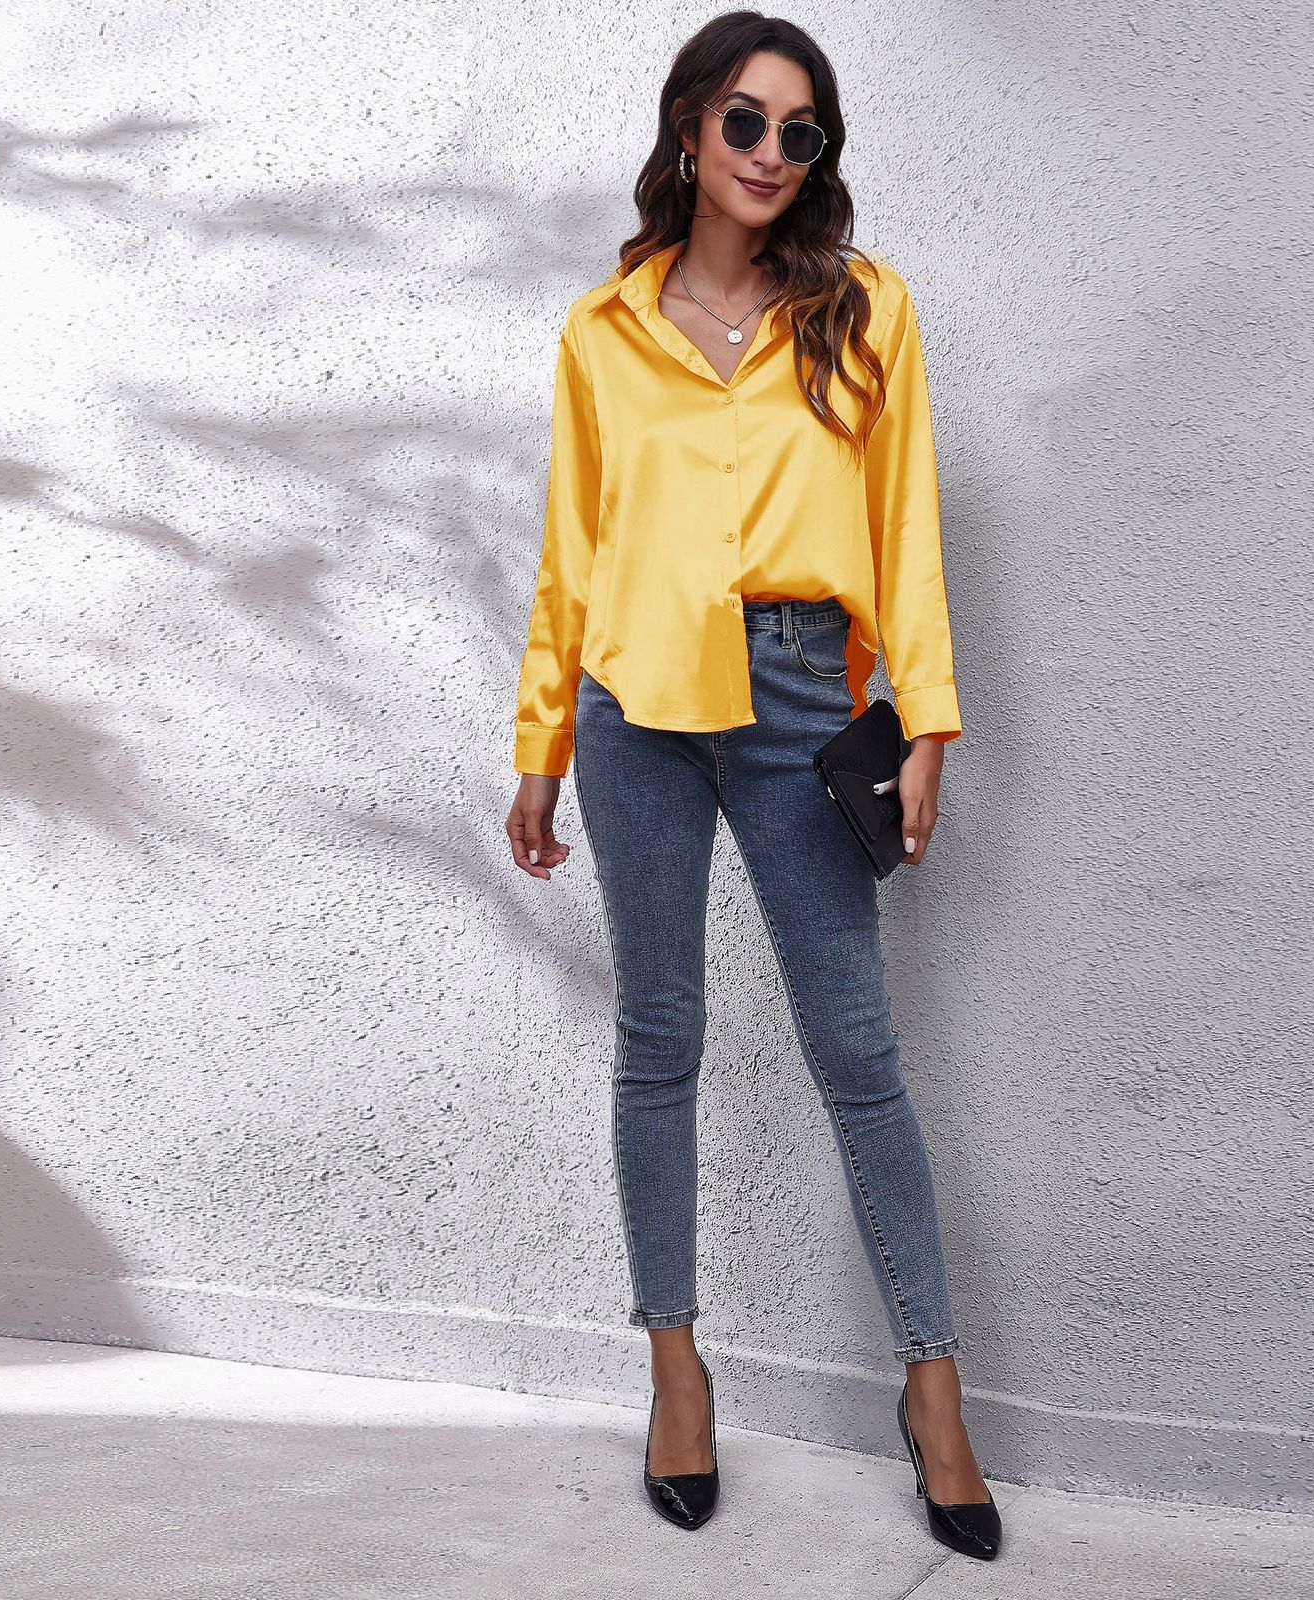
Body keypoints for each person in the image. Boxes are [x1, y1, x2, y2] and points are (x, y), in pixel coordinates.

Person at [503, 12, 1000, 1562]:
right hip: (634, 709)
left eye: (802, 132)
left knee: (857, 1052)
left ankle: (934, 1392)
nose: (772, 153)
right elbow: (572, 553)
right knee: (659, 1044)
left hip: (803, 700)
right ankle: (676, 1374)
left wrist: (929, 721)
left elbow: (906, 524)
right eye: (744, 121)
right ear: (688, 129)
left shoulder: (865, 308)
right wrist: (540, 746)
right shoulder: (604, 331)